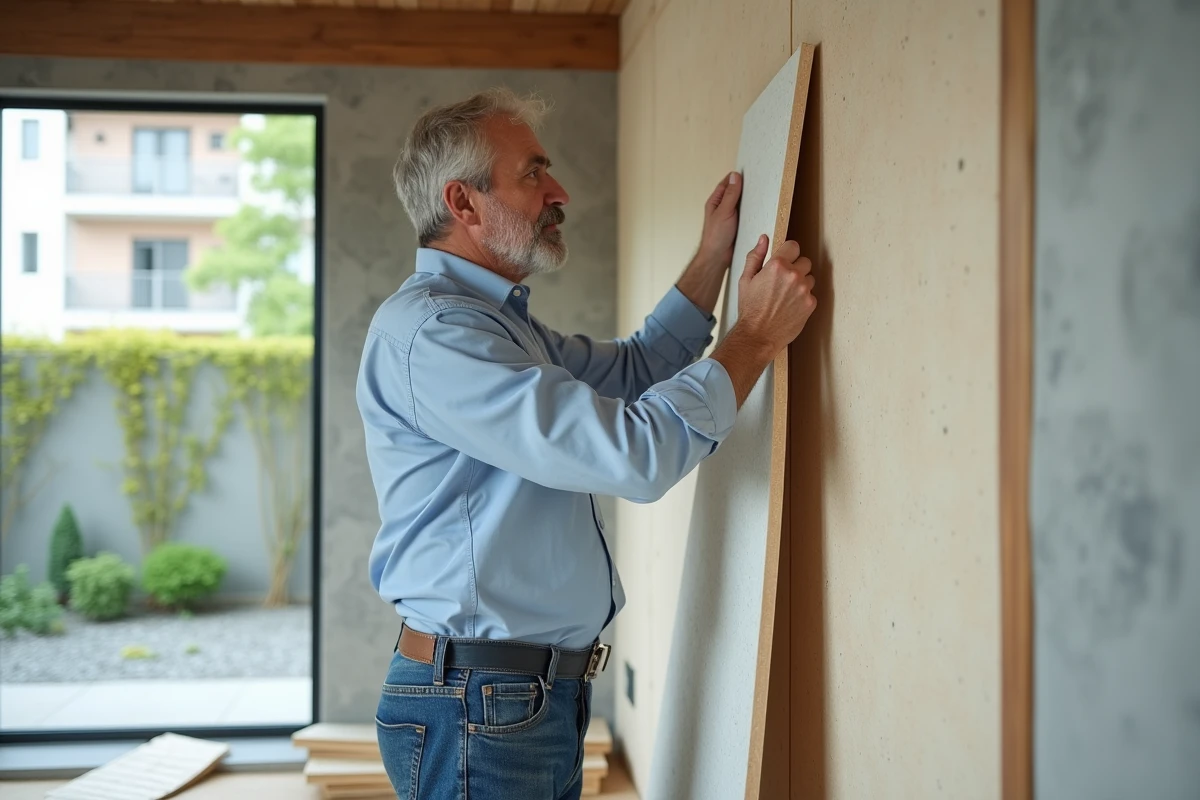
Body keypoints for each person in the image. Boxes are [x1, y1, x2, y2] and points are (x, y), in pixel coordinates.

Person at [356, 88, 817, 800]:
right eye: (533, 173)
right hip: (482, 703)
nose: (559, 190)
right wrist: (753, 337)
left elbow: (632, 372)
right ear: (465, 203)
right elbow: (633, 453)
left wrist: (712, 261)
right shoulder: (440, 337)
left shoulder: (498, 326)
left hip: (516, 697)